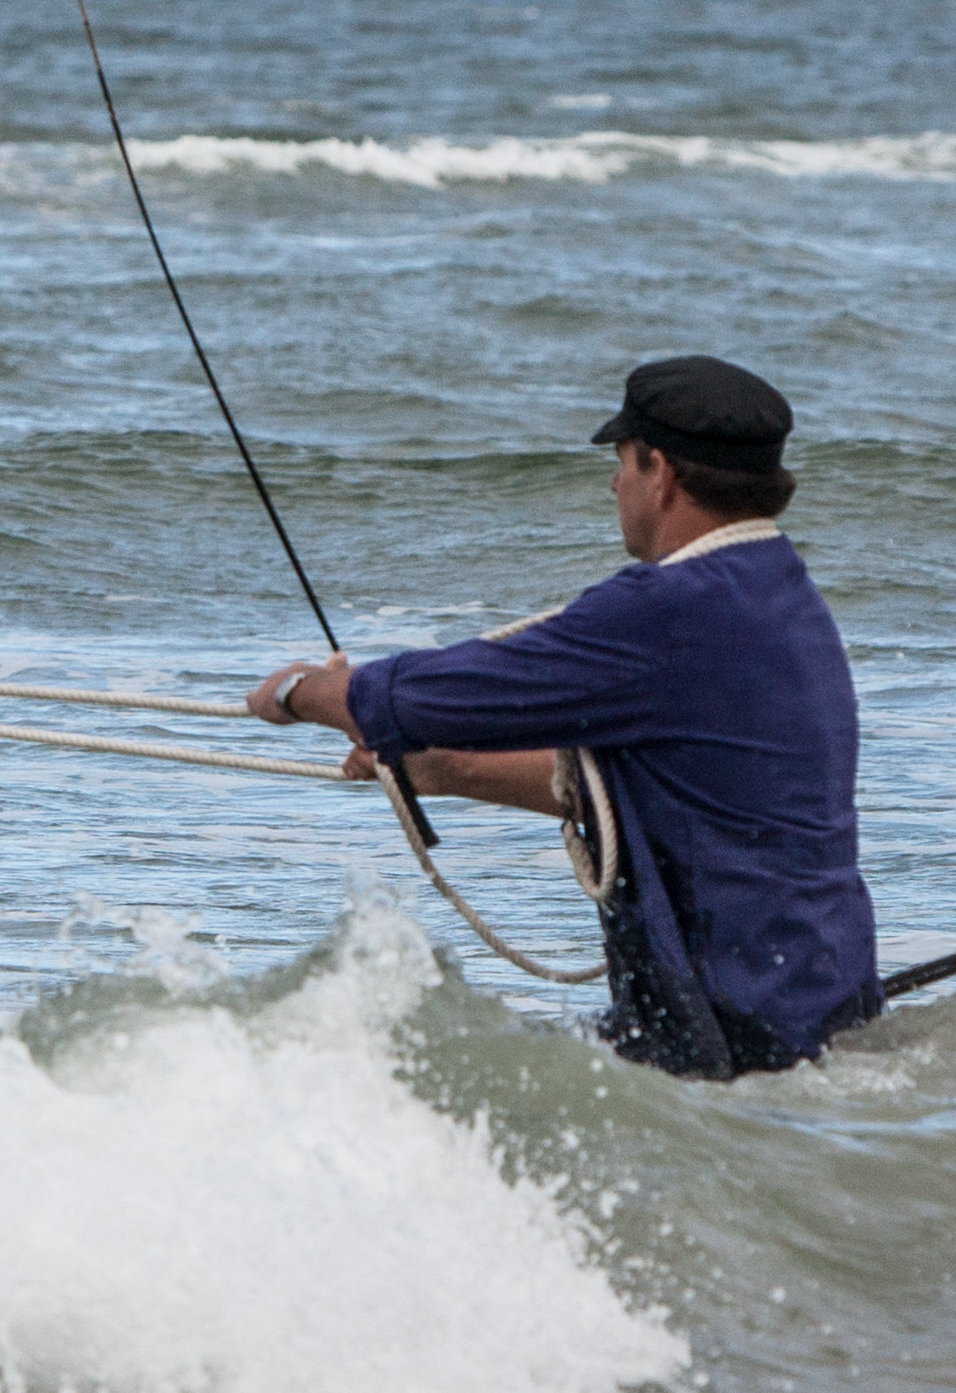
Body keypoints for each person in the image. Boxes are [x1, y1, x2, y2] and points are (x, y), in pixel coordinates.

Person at [248, 356, 879, 1077]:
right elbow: (657, 786)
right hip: (824, 1004)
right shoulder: (782, 593)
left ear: (662, 472)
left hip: (731, 1032)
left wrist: (301, 695)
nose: (616, 484)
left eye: (622, 464)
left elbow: (431, 696)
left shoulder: (662, 610)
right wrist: (440, 768)